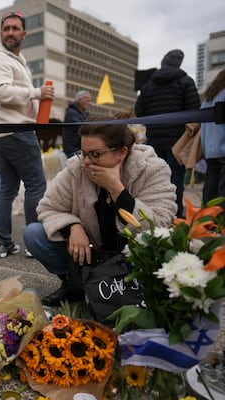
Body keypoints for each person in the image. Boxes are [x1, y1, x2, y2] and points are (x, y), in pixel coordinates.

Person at [23, 116, 177, 306]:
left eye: (95, 154)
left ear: (121, 152)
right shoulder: (77, 168)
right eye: (83, 153)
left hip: (133, 257)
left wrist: (116, 189)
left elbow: (159, 224)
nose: (87, 162)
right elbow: (47, 207)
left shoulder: (151, 169)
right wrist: (73, 226)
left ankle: (131, 289)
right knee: (34, 233)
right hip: (91, 253)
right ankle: (74, 284)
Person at [0, 11, 54, 258]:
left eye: (15, 28)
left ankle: (4, 242)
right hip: (16, 130)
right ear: (1, 32)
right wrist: (36, 93)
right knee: (36, 186)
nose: (10, 32)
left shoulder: (15, 59)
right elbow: (0, 92)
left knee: (8, 190)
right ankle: (35, 243)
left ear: (24, 33)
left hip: (7, 131)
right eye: (6, 28)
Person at [134, 49, 200, 217]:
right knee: (175, 178)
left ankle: (156, 214)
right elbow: (194, 111)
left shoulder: (148, 85)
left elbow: (139, 111)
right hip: (178, 139)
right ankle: (176, 216)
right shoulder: (186, 82)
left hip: (154, 138)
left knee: (155, 178)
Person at [200, 68, 225, 209]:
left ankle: (208, 222)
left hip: (210, 150)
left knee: (210, 189)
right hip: (223, 147)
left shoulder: (208, 98)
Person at [62, 90, 91, 158]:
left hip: (79, 150)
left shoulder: (84, 114)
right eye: (87, 100)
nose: (89, 103)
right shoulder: (71, 113)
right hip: (73, 150)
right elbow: (81, 128)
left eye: (90, 101)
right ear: (79, 100)